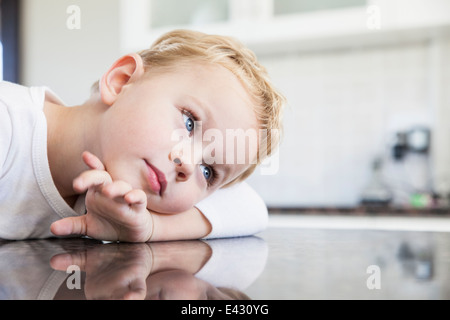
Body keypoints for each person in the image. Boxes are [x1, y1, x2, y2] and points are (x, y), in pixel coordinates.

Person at [0, 30, 285, 242]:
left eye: (208, 172)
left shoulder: (115, 203)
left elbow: (251, 208)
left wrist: (150, 228)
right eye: (189, 123)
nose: (187, 165)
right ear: (121, 81)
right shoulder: (8, 126)